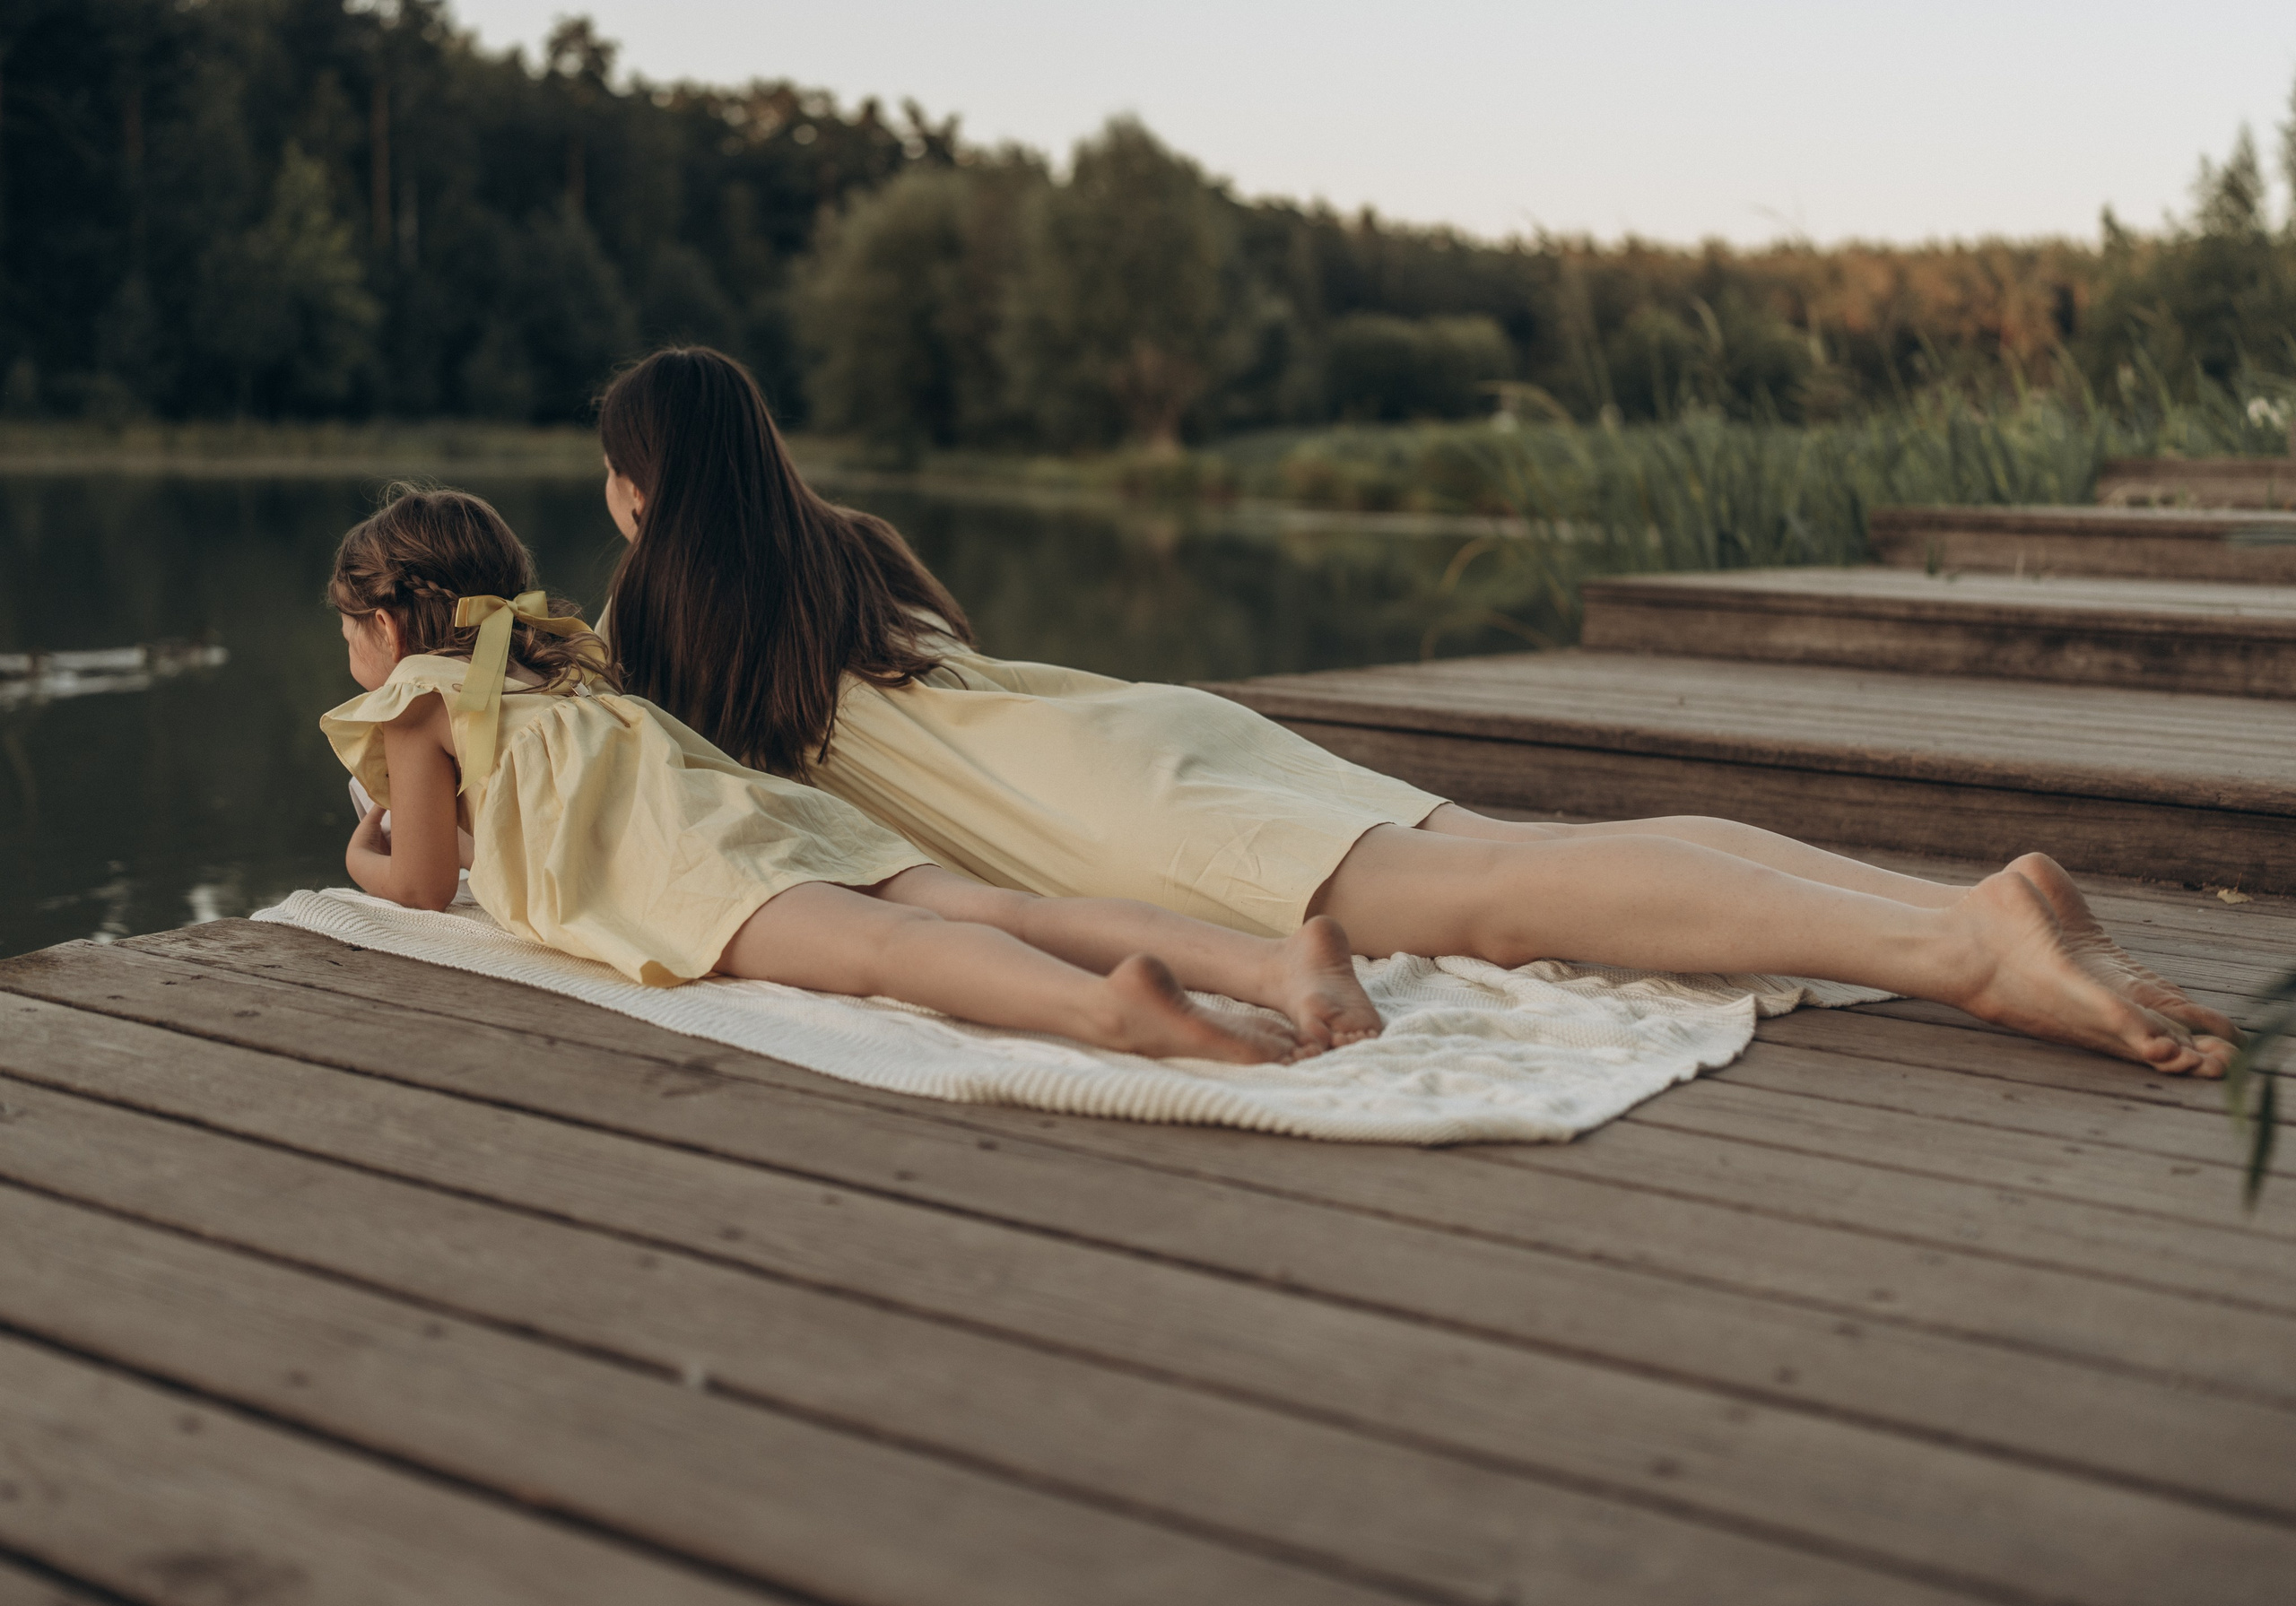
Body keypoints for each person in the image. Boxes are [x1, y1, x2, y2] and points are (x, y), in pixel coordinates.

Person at [591, 345, 2240, 1081]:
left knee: (1504, 902)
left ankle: (1962, 954)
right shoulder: (847, 553)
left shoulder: (659, 621)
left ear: (634, 489)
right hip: (1153, 732)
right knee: (1527, 851)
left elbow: (638, 790)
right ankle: (1966, 902)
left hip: (1115, 815)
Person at [322, 484, 1387, 1066]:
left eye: (347, 627)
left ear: (379, 621)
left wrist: (361, 850)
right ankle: (1269, 965)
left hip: (683, 866)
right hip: (754, 807)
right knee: (993, 903)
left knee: (893, 951)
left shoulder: (417, 697)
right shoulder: (558, 657)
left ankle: (1109, 1015)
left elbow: (419, 883)